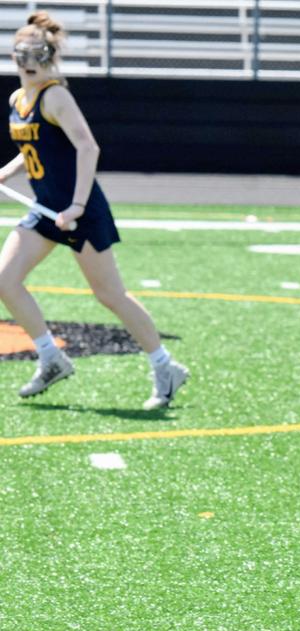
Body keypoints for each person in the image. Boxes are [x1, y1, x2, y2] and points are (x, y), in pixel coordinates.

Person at [0, 11, 188, 409]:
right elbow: (34, 149)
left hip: (78, 209)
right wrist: (5, 173)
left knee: (109, 294)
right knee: (5, 279)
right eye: (22, 53)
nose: (26, 61)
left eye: (32, 54)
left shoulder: (55, 95)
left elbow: (88, 147)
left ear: (46, 56)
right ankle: (51, 357)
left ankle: (164, 366)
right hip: (46, 208)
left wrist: (77, 205)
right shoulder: (19, 99)